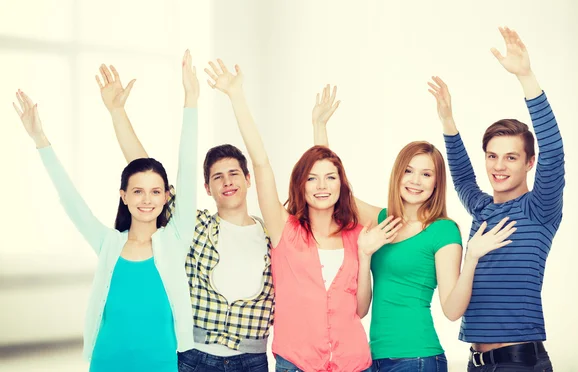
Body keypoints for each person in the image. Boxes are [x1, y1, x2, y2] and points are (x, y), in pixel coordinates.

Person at [203, 60, 398, 372]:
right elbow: (262, 163)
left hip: (355, 364)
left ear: (341, 183)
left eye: (331, 178)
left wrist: (364, 255)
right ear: (300, 186)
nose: (321, 186)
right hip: (296, 364)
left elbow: (360, 309)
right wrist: (236, 96)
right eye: (311, 179)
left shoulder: (356, 235)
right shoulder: (285, 230)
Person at [13, 50, 199, 372]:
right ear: (123, 197)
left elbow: (188, 167)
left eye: (156, 192)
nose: (147, 199)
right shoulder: (109, 243)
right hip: (107, 360)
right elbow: (72, 202)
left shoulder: (176, 238)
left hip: (160, 362)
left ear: (167, 196)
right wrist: (40, 139)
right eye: (138, 191)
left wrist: (191, 100)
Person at [315, 85, 516, 372]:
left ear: (436, 183)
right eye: (408, 171)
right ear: (398, 174)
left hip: (418, 358)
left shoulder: (442, 231)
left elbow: (452, 309)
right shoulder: (382, 220)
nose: (415, 180)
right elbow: (335, 191)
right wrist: (319, 128)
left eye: (426, 174)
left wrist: (471, 258)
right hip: (374, 358)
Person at [97, 60, 274, 371]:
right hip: (195, 357)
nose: (228, 181)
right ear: (206, 187)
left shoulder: (272, 233)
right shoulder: (195, 226)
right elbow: (146, 171)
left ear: (248, 180)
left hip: (252, 359)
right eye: (218, 177)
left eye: (234, 173)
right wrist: (117, 113)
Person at [428, 27, 564, 371]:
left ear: (529, 162)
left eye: (511, 157)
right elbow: (460, 175)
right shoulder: (482, 208)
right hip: (477, 362)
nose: (499, 166)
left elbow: (554, 151)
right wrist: (447, 120)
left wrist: (526, 77)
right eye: (492, 156)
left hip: (519, 362)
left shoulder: (540, 208)